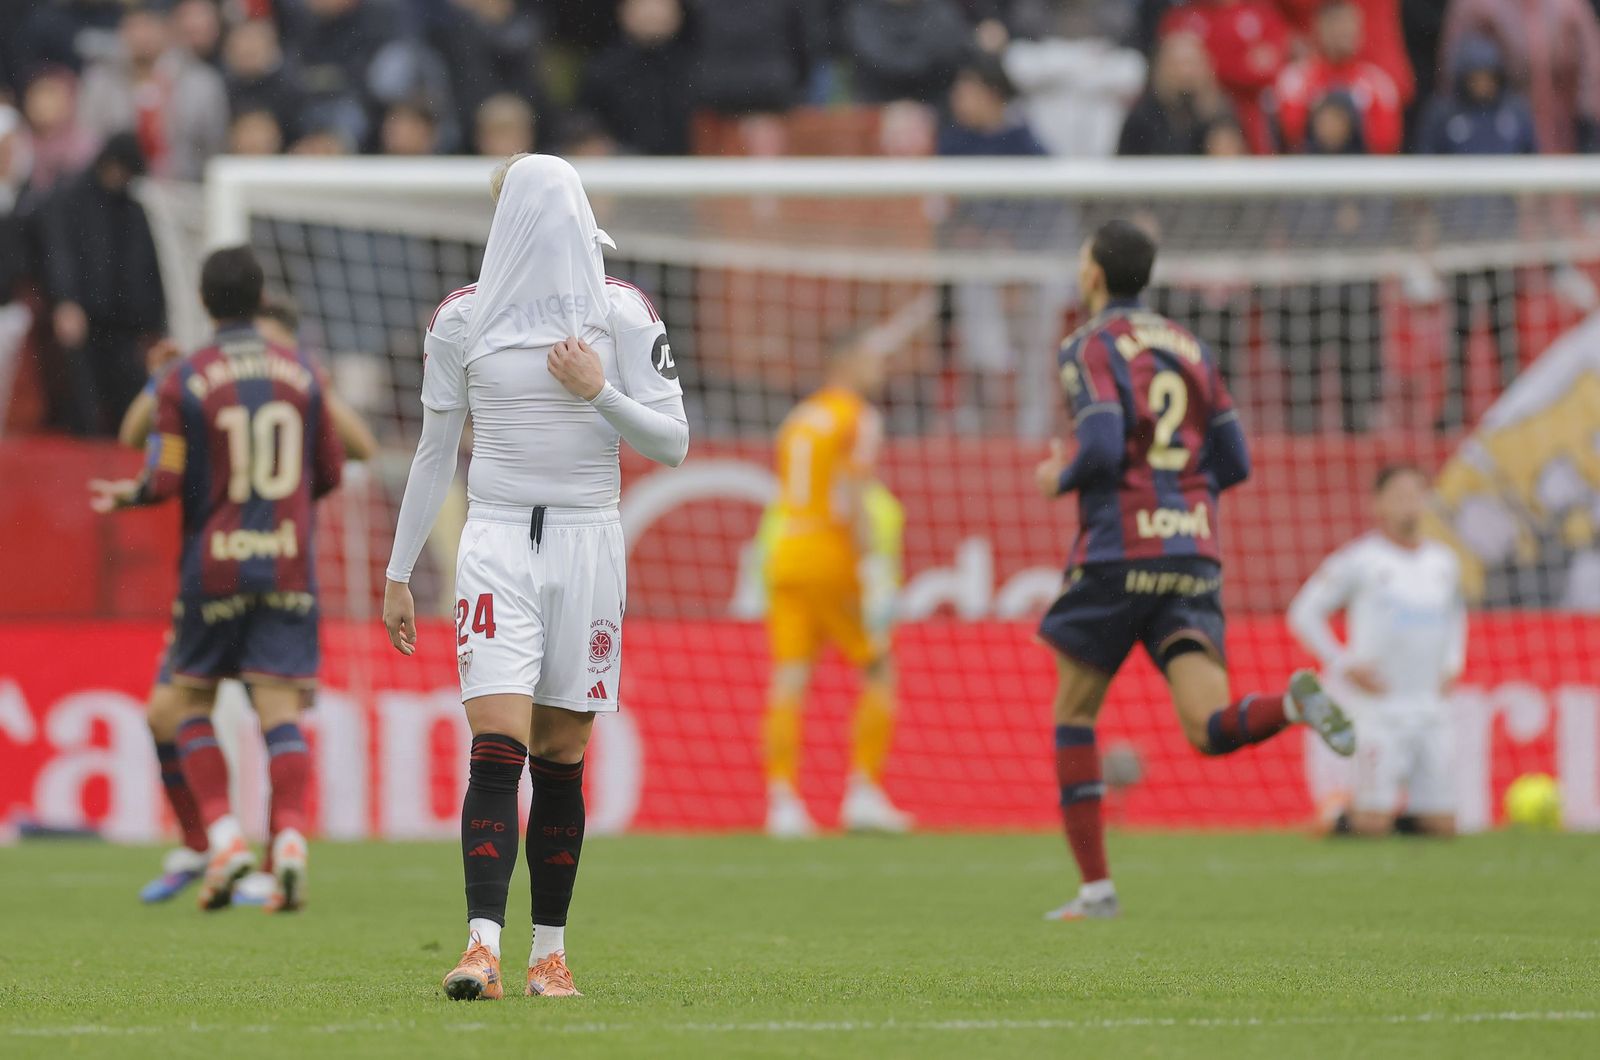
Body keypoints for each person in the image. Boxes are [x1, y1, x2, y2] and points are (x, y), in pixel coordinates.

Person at [382, 154, 689, 1001]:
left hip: (590, 545)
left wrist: (599, 393)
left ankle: (548, 955)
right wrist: (399, 569)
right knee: (498, 743)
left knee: (561, 754)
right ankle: (481, 946)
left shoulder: (622, 314)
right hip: (498, 542)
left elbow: (673, 442)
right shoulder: (462, 320)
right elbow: (433, 449)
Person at [1033, 220, 1355, 921]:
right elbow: (1233, 461)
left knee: (1075, 713)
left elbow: (1100, 442)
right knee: (1209, 727)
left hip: (1121, 548)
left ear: (1093, 274)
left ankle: (1096, 891)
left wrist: (1060, 479)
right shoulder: (1193, 347)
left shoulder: (1087, 345)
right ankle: (1293, 705)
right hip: (1193, 551)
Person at [87, 247, 345, 913]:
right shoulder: (304, 373)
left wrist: (132, 496)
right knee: (279, 714)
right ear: (261, 301)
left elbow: (164, 476)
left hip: (216, 567)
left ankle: (224, 838)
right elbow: (331, 472)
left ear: (203, 303)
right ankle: (287, 837)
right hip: (288, 564)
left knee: (184, 707)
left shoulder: (187, 376)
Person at [762, 333, 912, 838]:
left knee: (790, 679)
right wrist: (870, 565)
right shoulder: (858, 416)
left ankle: (782, 803)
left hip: (786, 554)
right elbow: (853, 489)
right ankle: (863, 792)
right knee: (878, 668)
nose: (880, 370)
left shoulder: (799, 418)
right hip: (831, 555)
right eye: (871, 359)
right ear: (845, 363)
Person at [1288, 465, 1465, 837]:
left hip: (1429, 705)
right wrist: (1342, 663)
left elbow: (1456, 617)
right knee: (1371, 824)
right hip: (1377, 710)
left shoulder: (1443, 562)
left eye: (1417, 495)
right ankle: (1334, 819)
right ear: (1378, 505)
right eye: (1399, 496)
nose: (1410, 505)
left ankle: (1388, 826)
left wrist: (1453, 663)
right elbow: (1304, 613)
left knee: (1442, 826)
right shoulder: (1360, 560)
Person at [1416, 34, 1535, 430]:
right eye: (1476, 75)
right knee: (1461, 328)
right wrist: (1429, 237)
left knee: (1504, 327)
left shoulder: (1514, 111)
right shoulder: (1444, 114)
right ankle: (1456, 405)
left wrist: (1528, 224)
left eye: (1489, 75)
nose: (1483, 82)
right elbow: (1425, 177)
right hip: (1460, 241)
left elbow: (1533, 170)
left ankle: (1513, 402)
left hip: (1501, 241)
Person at [36, 133, 165, 437]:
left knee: (128, 411)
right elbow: (59, 254)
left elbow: (144, 266)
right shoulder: (69, 199)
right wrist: (66, 301)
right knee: (84, 415)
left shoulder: (131, 208)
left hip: (123, 324)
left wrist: (152, 320)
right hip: (85, 317)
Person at [77, 2, 228, 180]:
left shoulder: (201, 81)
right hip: (115, 190)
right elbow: (86, 141)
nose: (141, 36)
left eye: (148, 25)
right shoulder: (100, 80)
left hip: (184, 189)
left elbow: (214, 145)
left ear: (167, 29)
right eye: (133, 27)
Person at [1440, 0, 1600, 153]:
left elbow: (1592, 72)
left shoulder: (1571, 7)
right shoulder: (1477, 7)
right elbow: (1456, 74)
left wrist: (1589, 122)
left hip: (1566, 138)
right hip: (1501, 142)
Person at [1158, 0, 1293, 154]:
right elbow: (1167, 74)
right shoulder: (1182, 18)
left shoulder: (1261, 14)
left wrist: (1217, 64)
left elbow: (1271, 65)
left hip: (1251, 110)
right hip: (1198, 110)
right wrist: (1243, 63)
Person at [1270, 0, 1404, 154]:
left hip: (1361, 173)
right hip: (1307, 172)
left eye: (1349, 24)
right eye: (1336, 23)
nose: (1344, 31)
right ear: (1319, 27)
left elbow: (1386, 142)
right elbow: (1290, 135)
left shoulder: (1378, 83)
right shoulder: (1295, 80)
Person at [579, 0, 696, 155]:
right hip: (620, 169)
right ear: (623, 11)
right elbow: (585, 121)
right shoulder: (601, 69)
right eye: (643, 4)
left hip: (689, 168)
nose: (652, 13)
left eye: (661, 4)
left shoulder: (696, 68)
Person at [1116, 31, 1230, 156]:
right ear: (1160, 68)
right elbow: (1125, 167)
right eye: (1176, 65)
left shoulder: (1220, 114)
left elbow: (1228, 166)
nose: (1185, 72)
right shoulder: (1142, 118)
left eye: (1191, 63)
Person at [845, 0, 971, 105]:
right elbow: (878, 59)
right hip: (879, 101)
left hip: (934, 103)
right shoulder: (865, 10)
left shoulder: (940, 9)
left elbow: (951, 48)